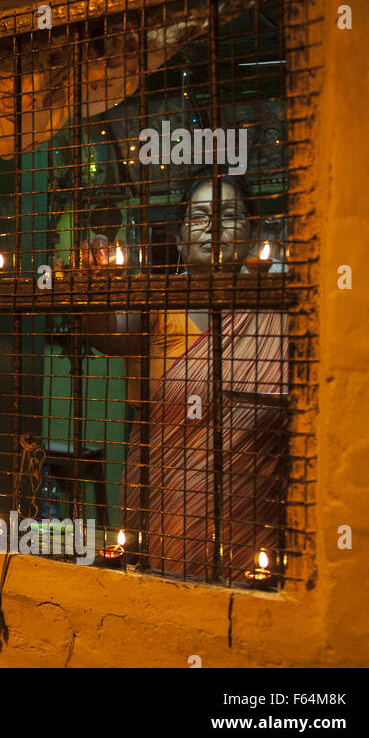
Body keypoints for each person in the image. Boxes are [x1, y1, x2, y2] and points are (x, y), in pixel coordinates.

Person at [77, 177, 288, 581]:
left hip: (253, 517)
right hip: (165, 507)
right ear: (178, 238)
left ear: (252, 234)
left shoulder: (278, 313)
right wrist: (98, 282)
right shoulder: (156, 307)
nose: (212, 226)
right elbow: (105, 332)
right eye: (198, 216)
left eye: (228, 216)